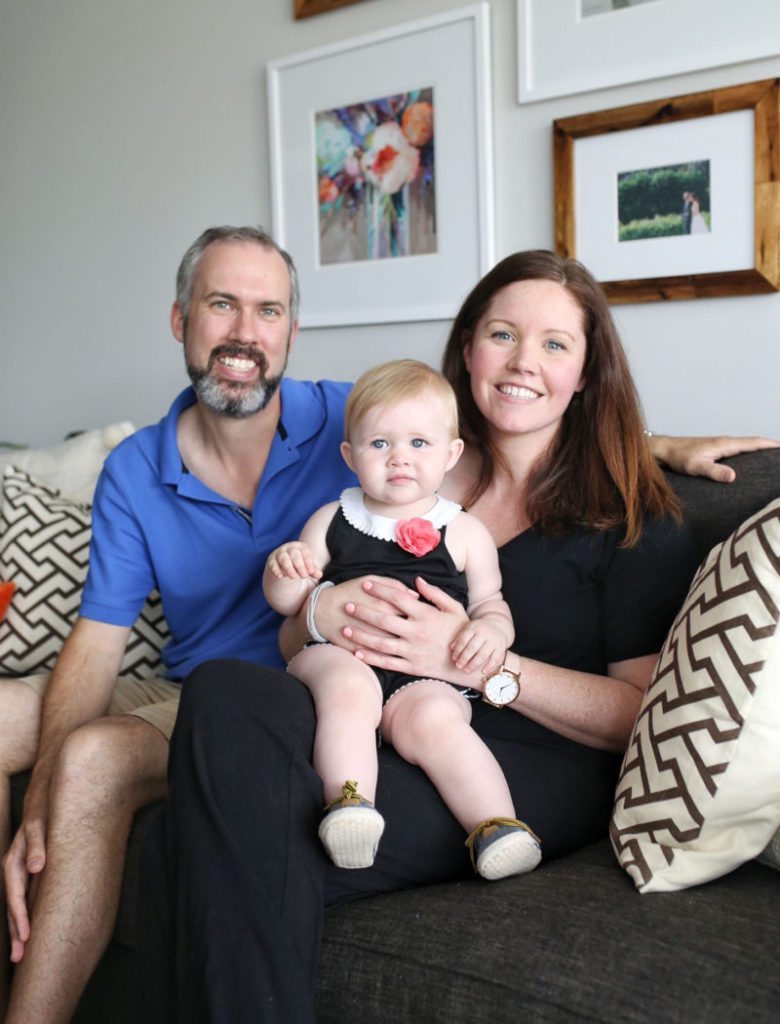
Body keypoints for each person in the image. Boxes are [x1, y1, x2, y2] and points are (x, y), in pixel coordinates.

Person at [0, 227, 774, 1023]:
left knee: (179, 852)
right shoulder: (401, 466)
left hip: (523, 756)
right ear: (467, 347)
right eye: (502, 335)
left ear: (585, 372)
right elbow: (299, 634)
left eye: (554, 344)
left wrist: (485, 670)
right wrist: (314, 611)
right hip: (376, 721)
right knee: (225, 690)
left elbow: (639, 715)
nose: (522, 362)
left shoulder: (632, 516)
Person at [0, 226, 357, 1024]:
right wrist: (34, 805)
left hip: (287, 695)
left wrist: (660, 445)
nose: (243, 333)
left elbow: (495, 430)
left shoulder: (350, 418)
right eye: (221, 304)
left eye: (268, 311)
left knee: (91, 761)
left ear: (292, 333)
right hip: (178, 682)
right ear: (180, 321)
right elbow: (97, 641)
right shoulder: (136, 466)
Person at [264, 359, 540, 879]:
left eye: (419, 444)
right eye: (379, 444)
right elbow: (288, 603)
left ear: (451, 454)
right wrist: (285, 570)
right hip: (343, 654)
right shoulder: (333, 519)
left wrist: (489, 632)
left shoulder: (463, 532)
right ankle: (350, 805)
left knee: (438, 722)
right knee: (347, 690)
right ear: (350, 455)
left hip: (428, 675)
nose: (399, 460)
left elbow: (490, 603)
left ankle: (496, 826)